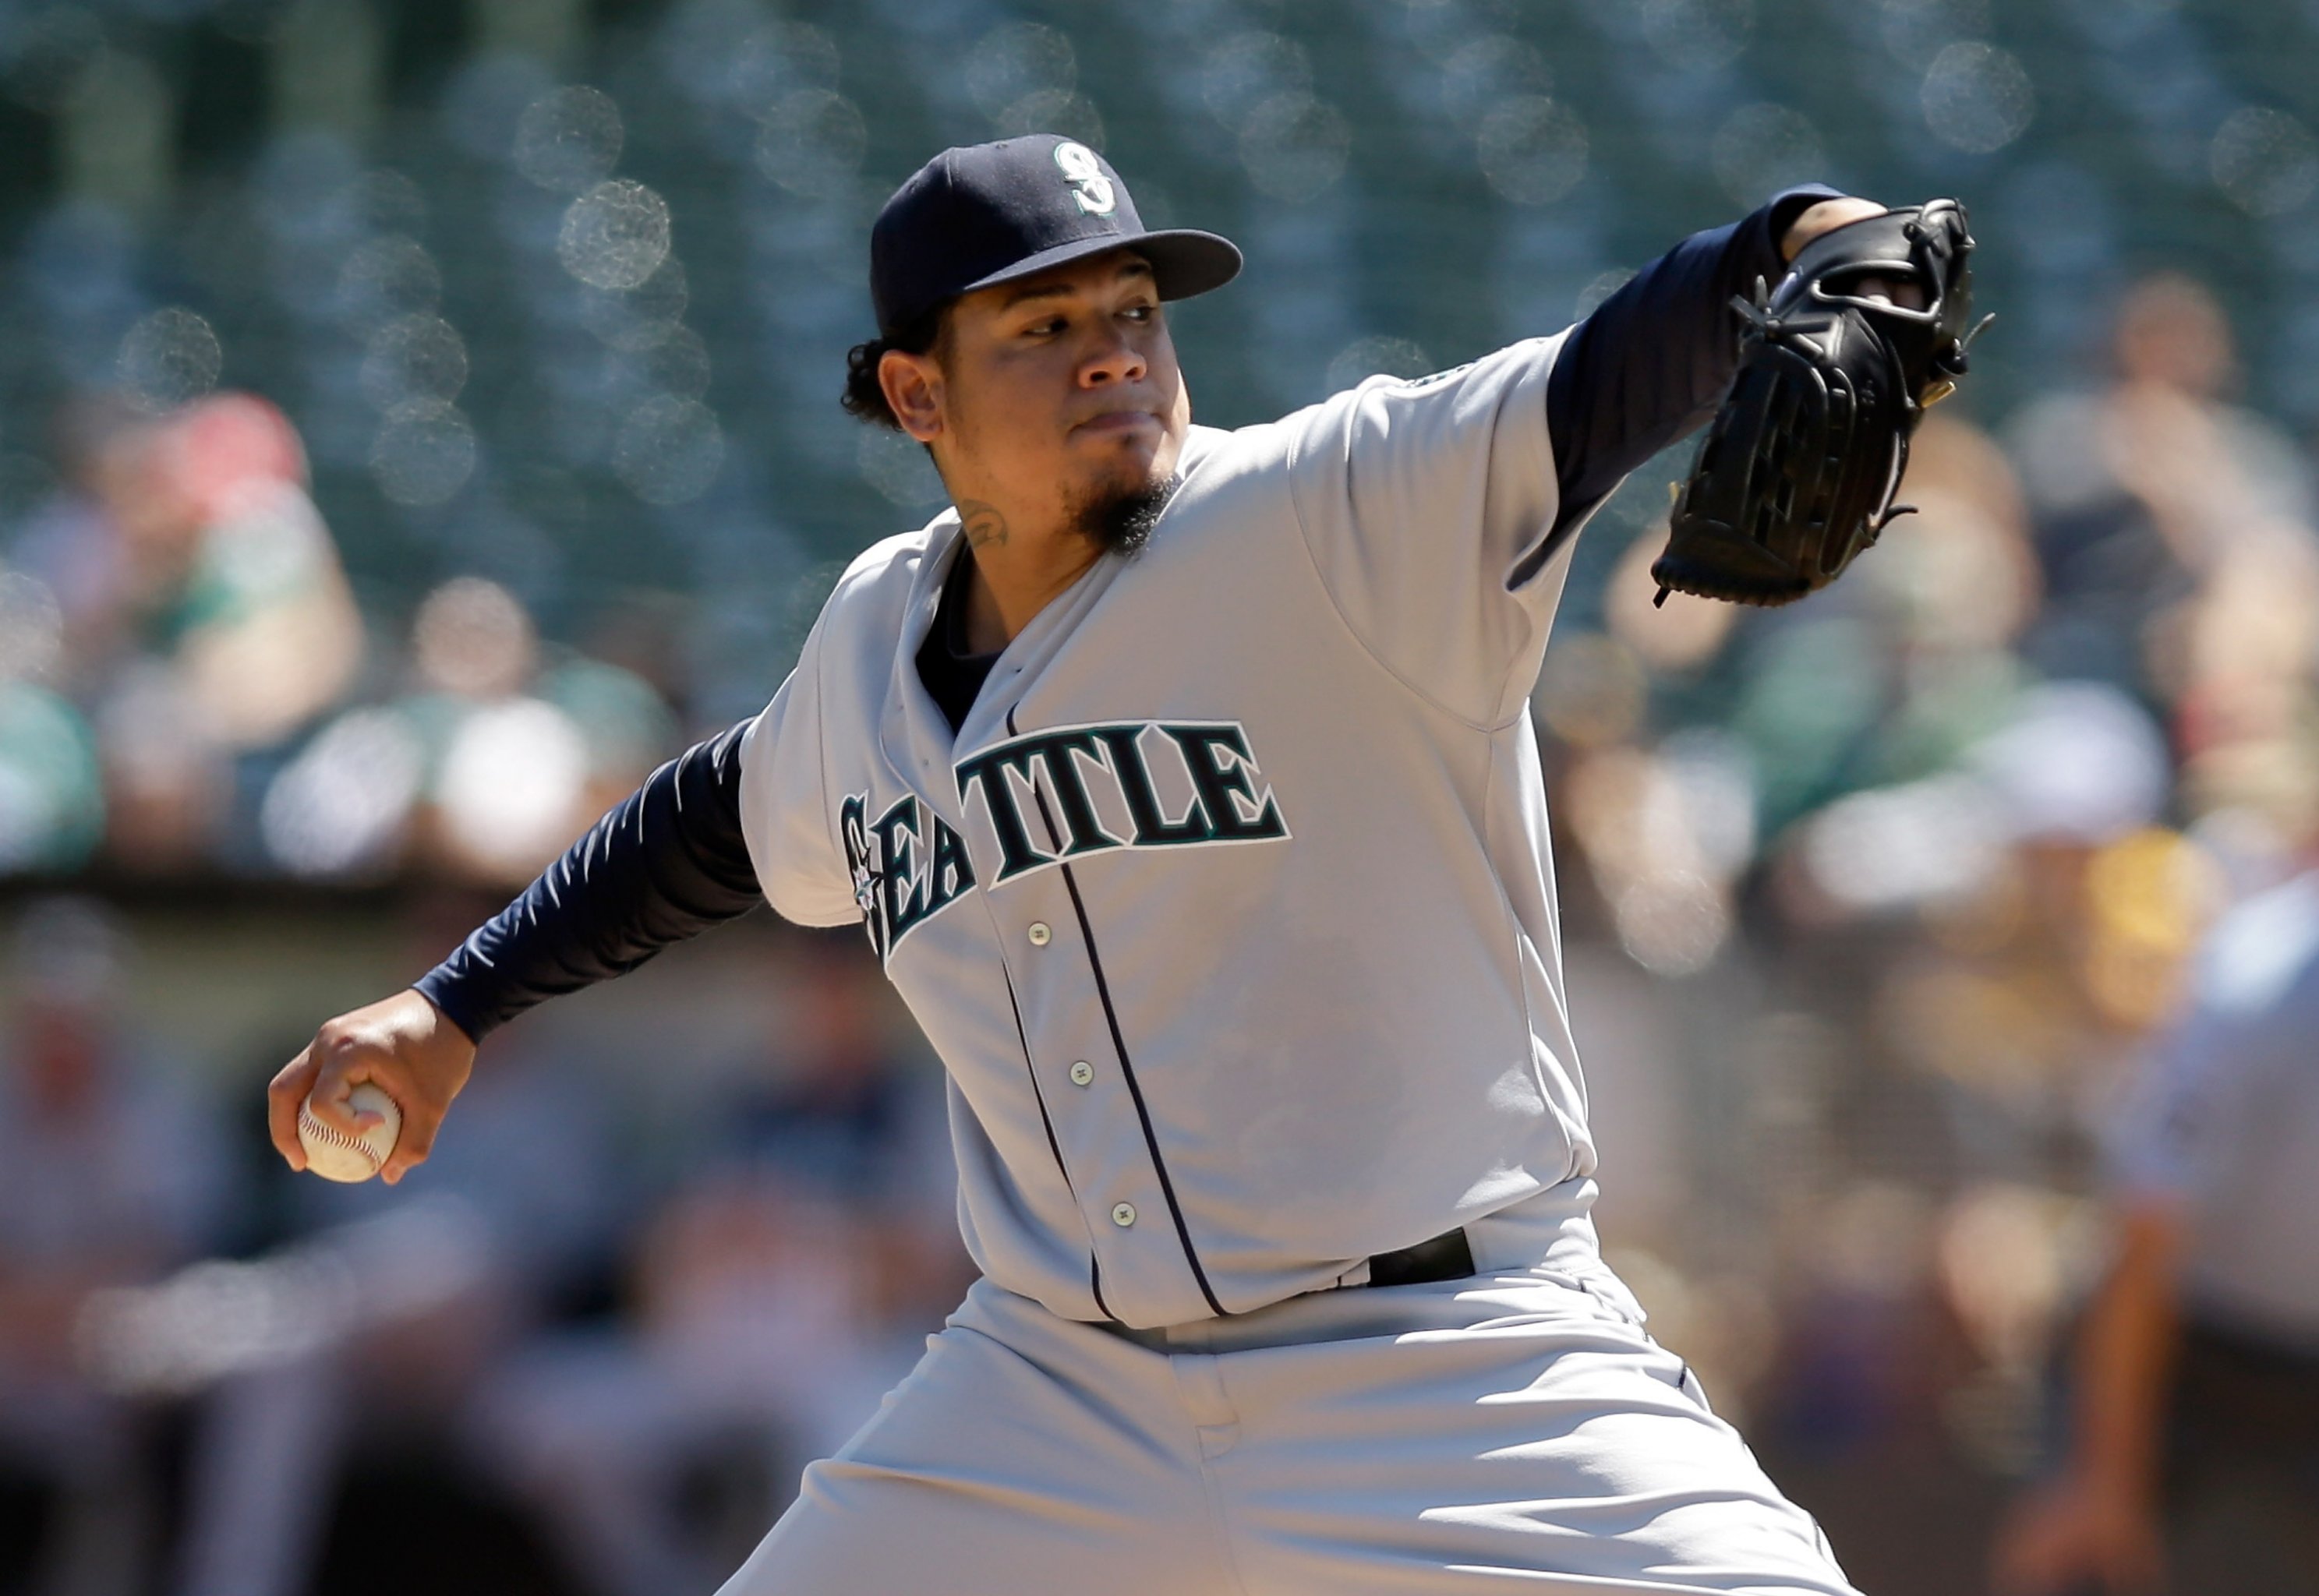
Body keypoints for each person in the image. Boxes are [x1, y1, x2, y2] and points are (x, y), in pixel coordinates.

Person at [272, 135, 1925, 1593]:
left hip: (1444, 1357)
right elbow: (713, 817)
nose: (1111, 357)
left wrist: (1826, 246)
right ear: (914, 394)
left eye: (1132, 312)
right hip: (1057, 1394)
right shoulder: (867, 638)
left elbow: (1649, 343)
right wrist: (455, 1007)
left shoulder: (1336, 507)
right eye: (1043, 327)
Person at [1993, 859, 2319, 1595]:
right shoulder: (2254, 985)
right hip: (2179, 1345)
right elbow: (2142, 1244)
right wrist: (2103, 1478)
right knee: (2078, 1559)